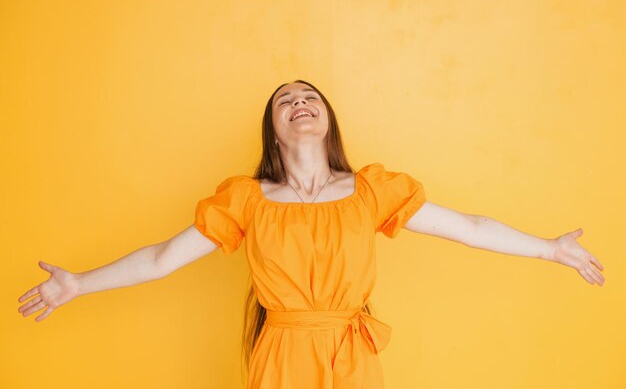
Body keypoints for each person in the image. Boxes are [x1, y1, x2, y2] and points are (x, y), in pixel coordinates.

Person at [18, 79, 605, 389]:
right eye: (286, 100)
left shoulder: (372, 189)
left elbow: (470, 228)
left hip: (352, 357)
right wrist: (78, 285)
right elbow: (161, 259)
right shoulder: (247, 199)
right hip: (280, 358)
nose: (300, 103)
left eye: (310, 97)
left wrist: (550, 248)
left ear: (328, 121)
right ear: (274, 131)